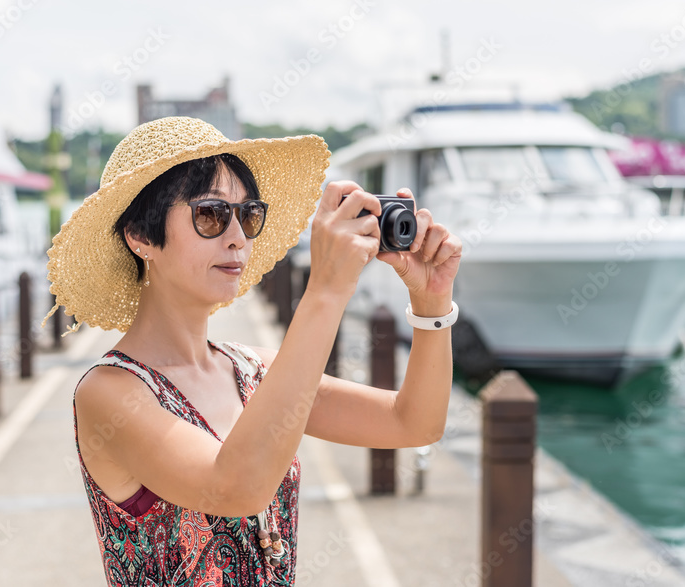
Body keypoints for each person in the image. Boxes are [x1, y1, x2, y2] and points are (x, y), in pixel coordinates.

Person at [44, 116, 462, 586]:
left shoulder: (253, 370)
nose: (237, 237)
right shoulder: (109, 394)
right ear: (140, 237)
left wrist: (431, 304)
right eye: (210, 215)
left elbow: (413, 422)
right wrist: (324, 290)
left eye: (248, 215)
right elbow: (235, 487)